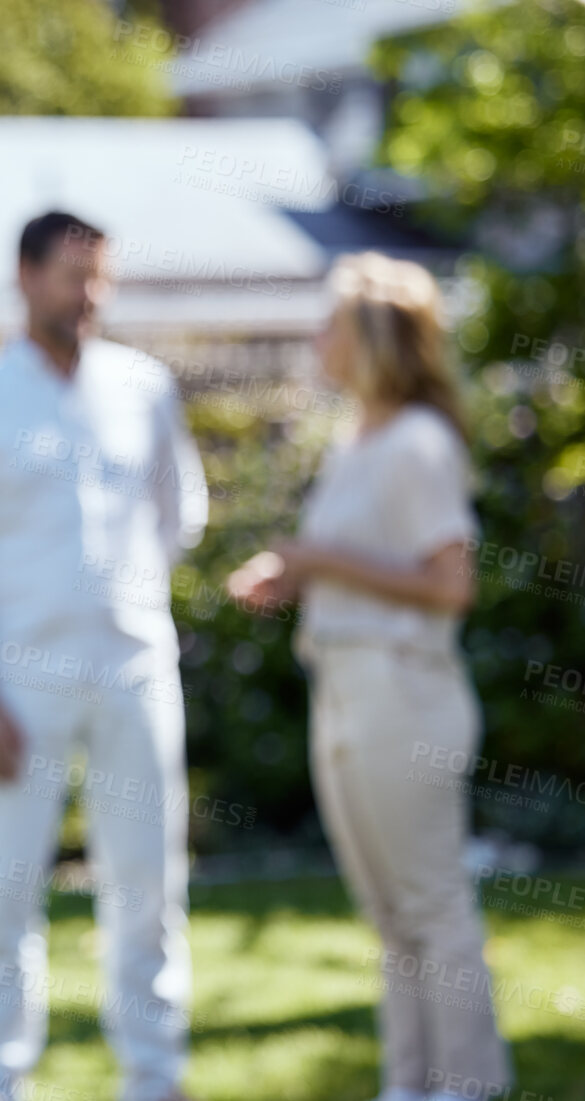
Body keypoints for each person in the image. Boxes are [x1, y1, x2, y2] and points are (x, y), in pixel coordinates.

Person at [0, 212, 207, 1101]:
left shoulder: (143, 387)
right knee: (4, 891)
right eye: (74, 275)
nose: (90, 296)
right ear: (25, 276)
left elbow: (176, 515)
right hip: (15, 680)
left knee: (149, 885)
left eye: (101, 277)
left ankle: (154, 1077)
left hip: (133, 671)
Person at [228, 252, 510, 1101]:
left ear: (372, 337)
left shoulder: (419, 442)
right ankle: (411, 1084)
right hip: (346, 684)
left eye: (329, 323)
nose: (317, 338)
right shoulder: (356, 439)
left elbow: (448, 583)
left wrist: (316, 556)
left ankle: (465, 1082)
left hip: (402, 689)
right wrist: (298, 575)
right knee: (391, 915)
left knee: (429, 902)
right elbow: (363, 563)